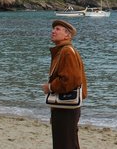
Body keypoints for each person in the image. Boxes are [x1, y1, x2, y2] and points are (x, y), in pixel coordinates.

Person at [41, 20, 87, 149]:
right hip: (65, 106)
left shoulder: (66, 51)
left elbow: (71, 80)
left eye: (57, 29)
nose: (53, 31)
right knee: (67, 142)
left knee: (65, 144)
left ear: (68, 35)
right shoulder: (63, 51)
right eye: (53, 29)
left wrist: (49, 87)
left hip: (66, 108)